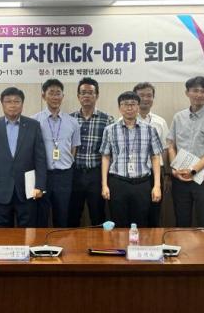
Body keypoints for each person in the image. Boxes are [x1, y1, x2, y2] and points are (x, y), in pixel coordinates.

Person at [0, 87, 47, 227]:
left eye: (17, 101)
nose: (12, 105)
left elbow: (40, 159)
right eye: (8, 101)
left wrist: (40, 186)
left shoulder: (33, 125)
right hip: (0, 190)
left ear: (22, 104)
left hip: (27, 190)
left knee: (28, 232)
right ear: (2, 104)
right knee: (2, 233)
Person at [167, 76, 204, 227]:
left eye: (203, 91)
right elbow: (171, 145)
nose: (199, 94)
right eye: (195, 90)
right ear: (187, 92)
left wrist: (193, 170)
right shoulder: (178, 117)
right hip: (180, 177)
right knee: (181, 220)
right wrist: (175, 169)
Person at [100, 92, 162, 228]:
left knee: (142, 223)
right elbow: (105, 157)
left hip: (142, 183)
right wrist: (104, 185)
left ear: (138, 107)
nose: (129, 108)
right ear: (119, 108)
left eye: (133, 104)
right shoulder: (110, 130)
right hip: (118, 182)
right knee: (119, 223)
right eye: (125, 104)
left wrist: (157, 186)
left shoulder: (150, 130)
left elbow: (155, 157)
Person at [32, 79, 80, 228]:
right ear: (43, 96)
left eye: (58, 93)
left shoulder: (72, 122)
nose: (55, 97)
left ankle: (61, 242)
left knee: (62, 215)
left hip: (64, 176)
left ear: (62, 96)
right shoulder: (35, 121)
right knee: (41, 216)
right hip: (42, 175)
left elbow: (73, 148)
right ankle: (40, 243)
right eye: (51, 93)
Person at [68, 77, 114, 227]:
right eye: (83, 93)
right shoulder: (69, 119)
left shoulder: (107, 120)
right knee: (72, 215)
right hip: (75, 173)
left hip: (96, 174)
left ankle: (99, 242)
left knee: (98, 215)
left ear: (97, 95)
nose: (86, 96)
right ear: (78, 96)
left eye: (90, 92)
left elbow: (111, 151)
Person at [133, 82, 169, 227]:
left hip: (156, 173)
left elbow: (165, 150)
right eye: (141, 95)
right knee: (136, 214)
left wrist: (166, 174)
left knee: (154, 213)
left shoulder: (160, 122)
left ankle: (153, 241)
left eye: (149, 95)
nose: (145, 99)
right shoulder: (124, 121)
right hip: (135, 175)